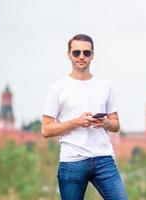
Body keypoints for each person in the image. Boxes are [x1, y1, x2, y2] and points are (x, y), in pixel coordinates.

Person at [41, 34, 128, 200]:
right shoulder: (58, 88)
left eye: (86, 53)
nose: (81, 57)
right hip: (72, 161)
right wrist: (77, 122)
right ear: (68, 55)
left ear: (92, 55)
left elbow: (116, 125)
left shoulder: (105, 86)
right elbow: (46, 129)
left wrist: (105, 123)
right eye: (76, 53)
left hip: (104, 160)